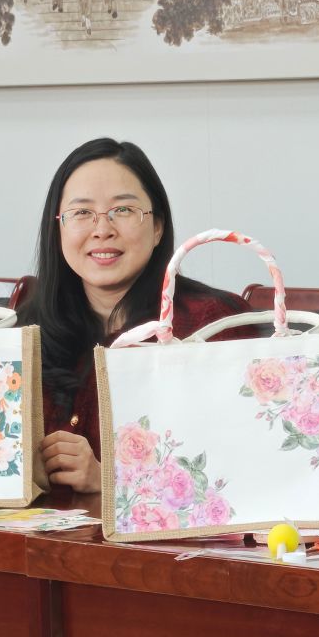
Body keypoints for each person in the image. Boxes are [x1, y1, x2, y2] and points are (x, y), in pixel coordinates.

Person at [23, 138, 246, 493]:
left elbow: (240, 465)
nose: (102, 229)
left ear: (157, 227)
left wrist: (111, 480)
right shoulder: (25, 329)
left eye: (123, 210)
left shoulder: (212, 325)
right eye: (82, 213)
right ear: (58, 228)